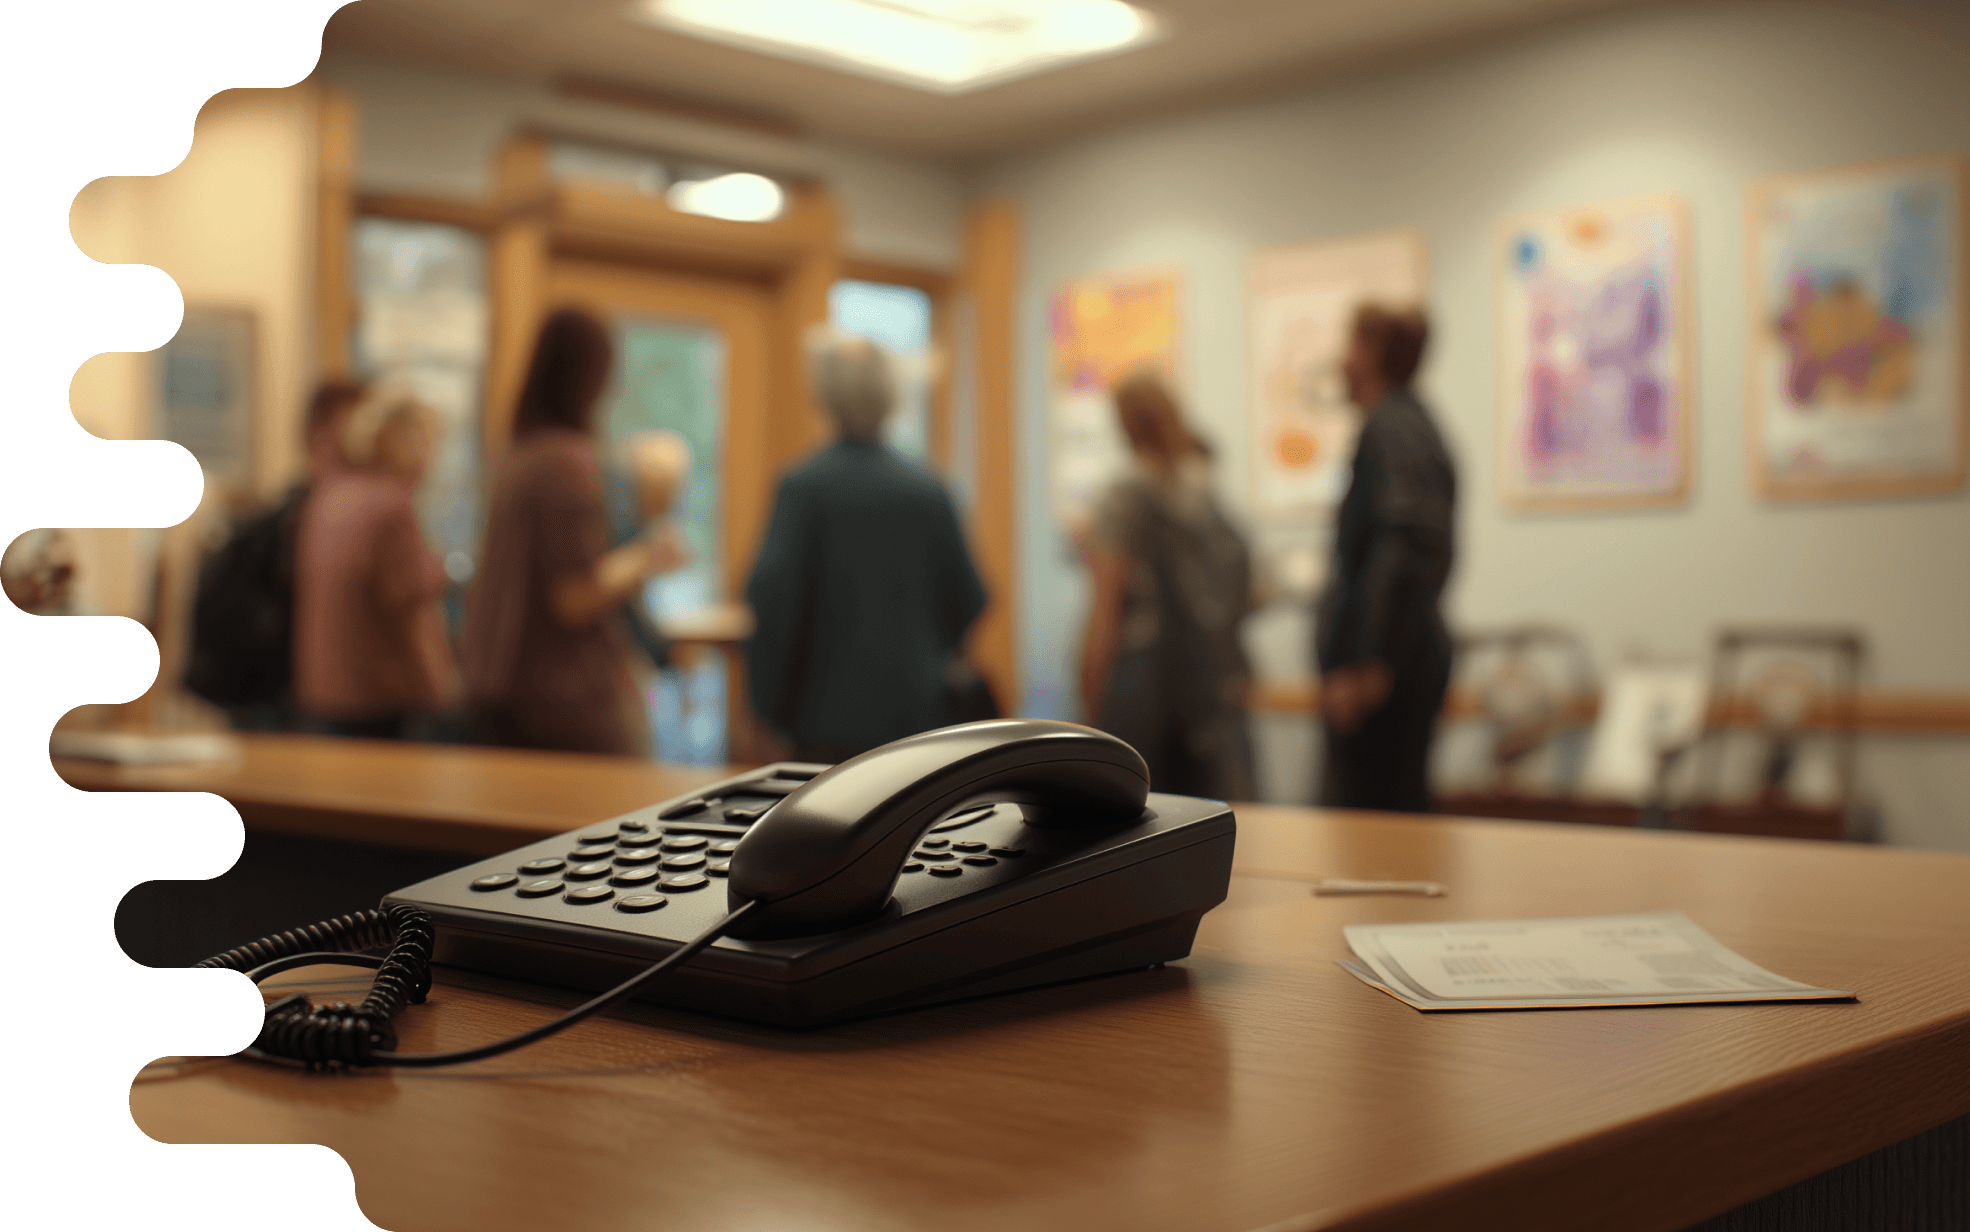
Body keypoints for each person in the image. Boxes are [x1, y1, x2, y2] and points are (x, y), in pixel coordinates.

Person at [745, 330, 987, 763]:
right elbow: (970, 599)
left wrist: (765, 710)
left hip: (822, 722)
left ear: (824, 396)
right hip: (919, 717)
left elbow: (773, 601)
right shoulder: (930, 491)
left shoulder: (802, 488)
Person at [463, 308, 682, 756]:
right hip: (561, 696)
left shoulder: (517, 456)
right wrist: (644, 560)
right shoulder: (565, 464)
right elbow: (573, 597)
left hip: (504, 688)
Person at [1078, 370, 1256, 800]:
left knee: (1136, 823)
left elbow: (1107, 607)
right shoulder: (1204, 495)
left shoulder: (1122, 497)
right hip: (1205, 690)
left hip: (1140, 686)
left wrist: (1088, 692)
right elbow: (1242, 591)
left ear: (1124, 423)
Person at [1315, 303, 1457, 812]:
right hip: (1399, 661)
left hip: (1384, 674)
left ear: (1373, 354)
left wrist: (1369, 663)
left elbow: (1407, 546)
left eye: (1351, 345)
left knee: (1373, 837)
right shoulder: (1409, 424)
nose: (1342, 362)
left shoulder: (1394, 428)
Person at [292, 384, 457, 739]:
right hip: (384, 706)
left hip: (325, 698)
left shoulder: (329, 498)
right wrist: (446, 701)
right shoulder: (391, 507)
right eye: (425, 439)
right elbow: (413, 620)